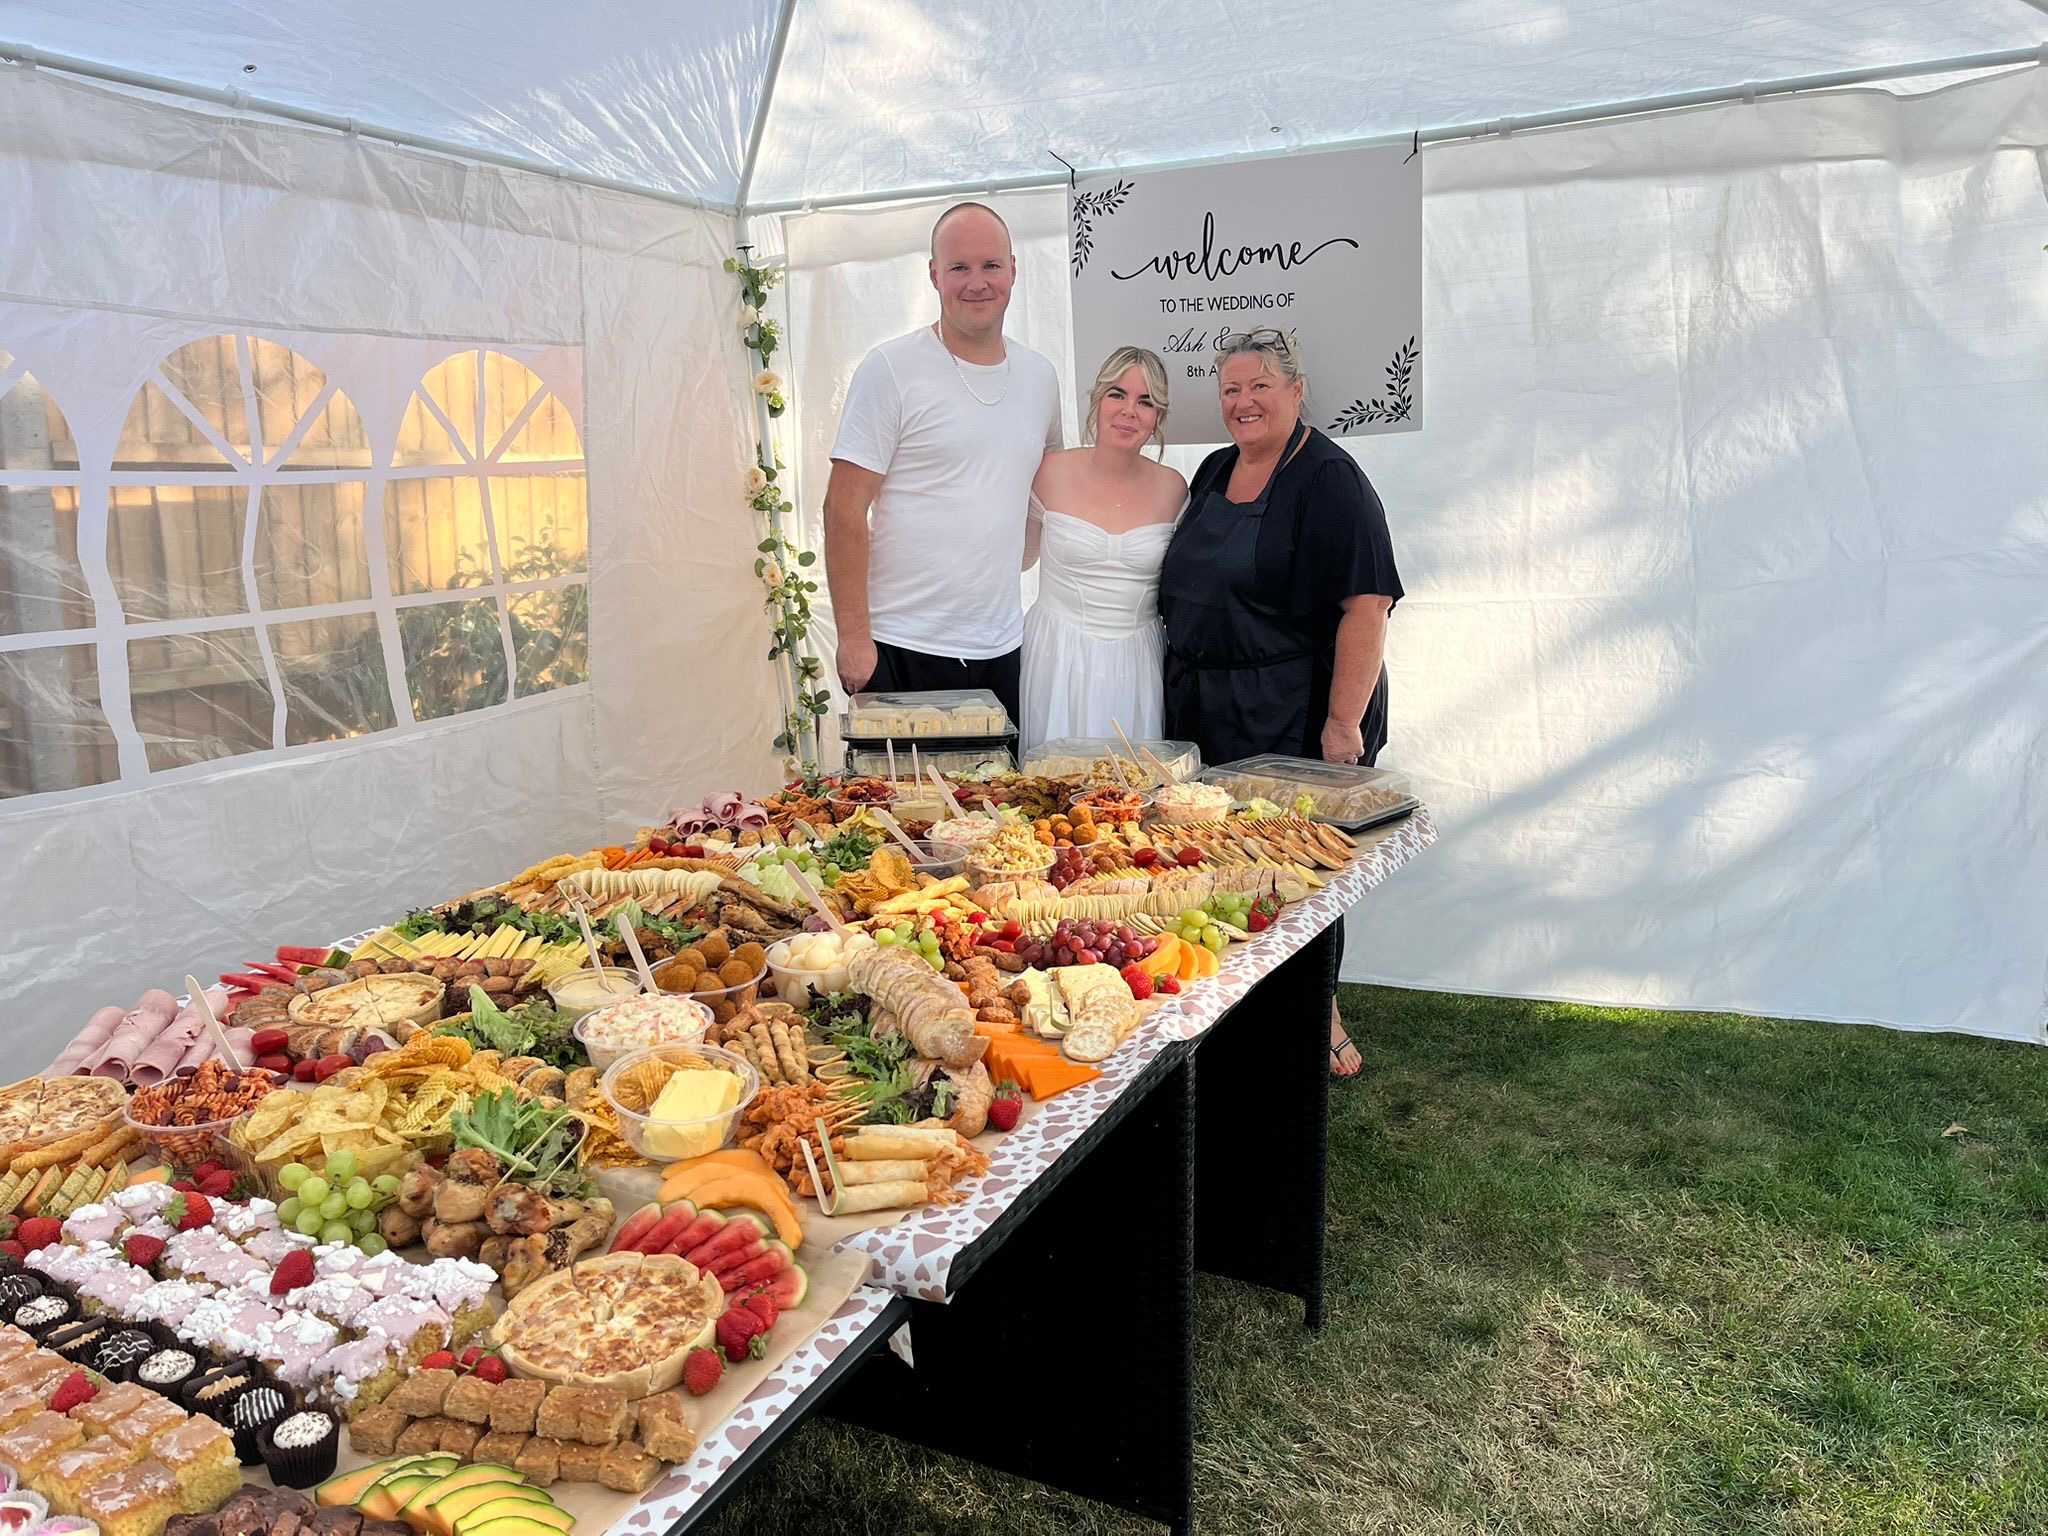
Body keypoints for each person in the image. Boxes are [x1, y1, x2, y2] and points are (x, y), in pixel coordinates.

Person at [1157, 328, 1403, 1076]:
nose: (1244, 402)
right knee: (1220, 870)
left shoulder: (1330, 478)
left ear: (1297, 392)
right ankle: (1230, 1020)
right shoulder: (1212, 470)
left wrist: (1341, 724)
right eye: (1231, 389)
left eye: (1261, 386)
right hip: (1208, 707)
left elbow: (1367, 606)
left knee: (1298, 878)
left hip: (1295, 710)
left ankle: (1317, 1017)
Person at [823, 202, 1063, 727]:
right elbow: (843, 509)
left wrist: (1007, 557)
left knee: (998, 807)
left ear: (1014, 270)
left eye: (990, 266)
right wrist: (854, 638)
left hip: (1000, 645)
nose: (976, 283)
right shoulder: (890, 368)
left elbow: (1047, 490)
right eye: (959, 268)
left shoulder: (1040, 377)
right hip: (899, 643)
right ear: (934, 275)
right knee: (900, 807)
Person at [1019, 347, 1187, 748]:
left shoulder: (1174, 488)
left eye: (1145, 401)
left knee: (1134, 794)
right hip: (1057, 657)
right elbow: (1016, 558)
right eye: (1117, 394)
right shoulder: (1049, 472)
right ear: (1096, 400)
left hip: (1137, 661)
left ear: (1158, 417)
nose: (1129, 411)